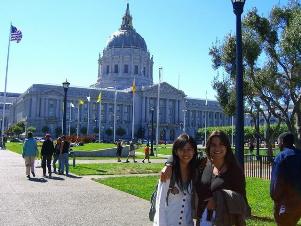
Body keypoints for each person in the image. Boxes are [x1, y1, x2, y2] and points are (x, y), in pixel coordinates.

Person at [196, 130, 248, 225]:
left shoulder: (234, 170)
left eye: (221, 144)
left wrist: (217, 198)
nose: (217, 148)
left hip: (224, 220)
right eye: (213, 145)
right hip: (203, 220)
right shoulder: (204, 164)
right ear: (209, 147)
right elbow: (182, 157)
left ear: (227, 147)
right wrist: (169, 164)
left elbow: (242, 200)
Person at [153, 133, 197, 226]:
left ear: (194, 151)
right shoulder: (168, 173)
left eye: (189, 149)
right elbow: (159, 203)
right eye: (182, 149)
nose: (186, 153)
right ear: (176, 151)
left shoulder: (195, 172)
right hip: (168, 222)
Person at [270, 132, 301, 226]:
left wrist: (275, 197)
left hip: (286, 202)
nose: (278, 144)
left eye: (278, 142)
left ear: (282, 142)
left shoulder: (281, 157)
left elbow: (276, 181)